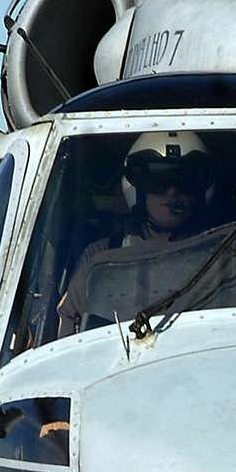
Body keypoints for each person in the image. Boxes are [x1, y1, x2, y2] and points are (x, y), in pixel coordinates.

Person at [57, 130, 218, 333]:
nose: (172, 192)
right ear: (138, 189)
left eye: (186, 181)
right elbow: (70, 329)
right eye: (158, 182)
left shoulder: (225, 253)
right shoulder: (101, 255)